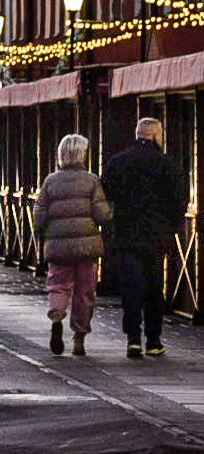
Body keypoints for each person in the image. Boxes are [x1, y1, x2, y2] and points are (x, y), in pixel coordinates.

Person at [101, 117, 187, 359]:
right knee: (153, 287)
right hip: (157, 237)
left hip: (126, 235)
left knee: (130, 288)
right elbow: (178, 203)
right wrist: (170, 227)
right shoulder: (167, 164)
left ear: (138, 134)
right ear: (157, 136)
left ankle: (133, 340)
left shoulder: (118, 162)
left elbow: (106, 194)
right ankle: (154, 339)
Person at [34, 133, 112, 357]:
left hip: (58, 245)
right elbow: (101, 214)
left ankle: (57, 317)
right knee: (85, 292)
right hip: (86, 246)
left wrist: (44, 231)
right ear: (83, 155)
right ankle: (79, 338)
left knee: (58, 284)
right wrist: (111, 212)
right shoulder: (91, 180)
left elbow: (39, 212)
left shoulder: (50, 181)